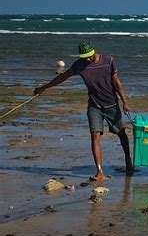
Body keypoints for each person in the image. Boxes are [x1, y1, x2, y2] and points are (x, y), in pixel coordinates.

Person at [34, 41, 134, 181]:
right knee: (95, 136)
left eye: (89, 56)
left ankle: (128, 161)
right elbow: (63, 77)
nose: (87, 59)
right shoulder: (79, 65)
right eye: (84, 57)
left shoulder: (108, 61)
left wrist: (125, 102)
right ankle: (99, 171)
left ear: (94, 51)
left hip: (111, 104)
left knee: (121, 134)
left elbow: (117, 83)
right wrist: (44, 87)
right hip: (94, 105)